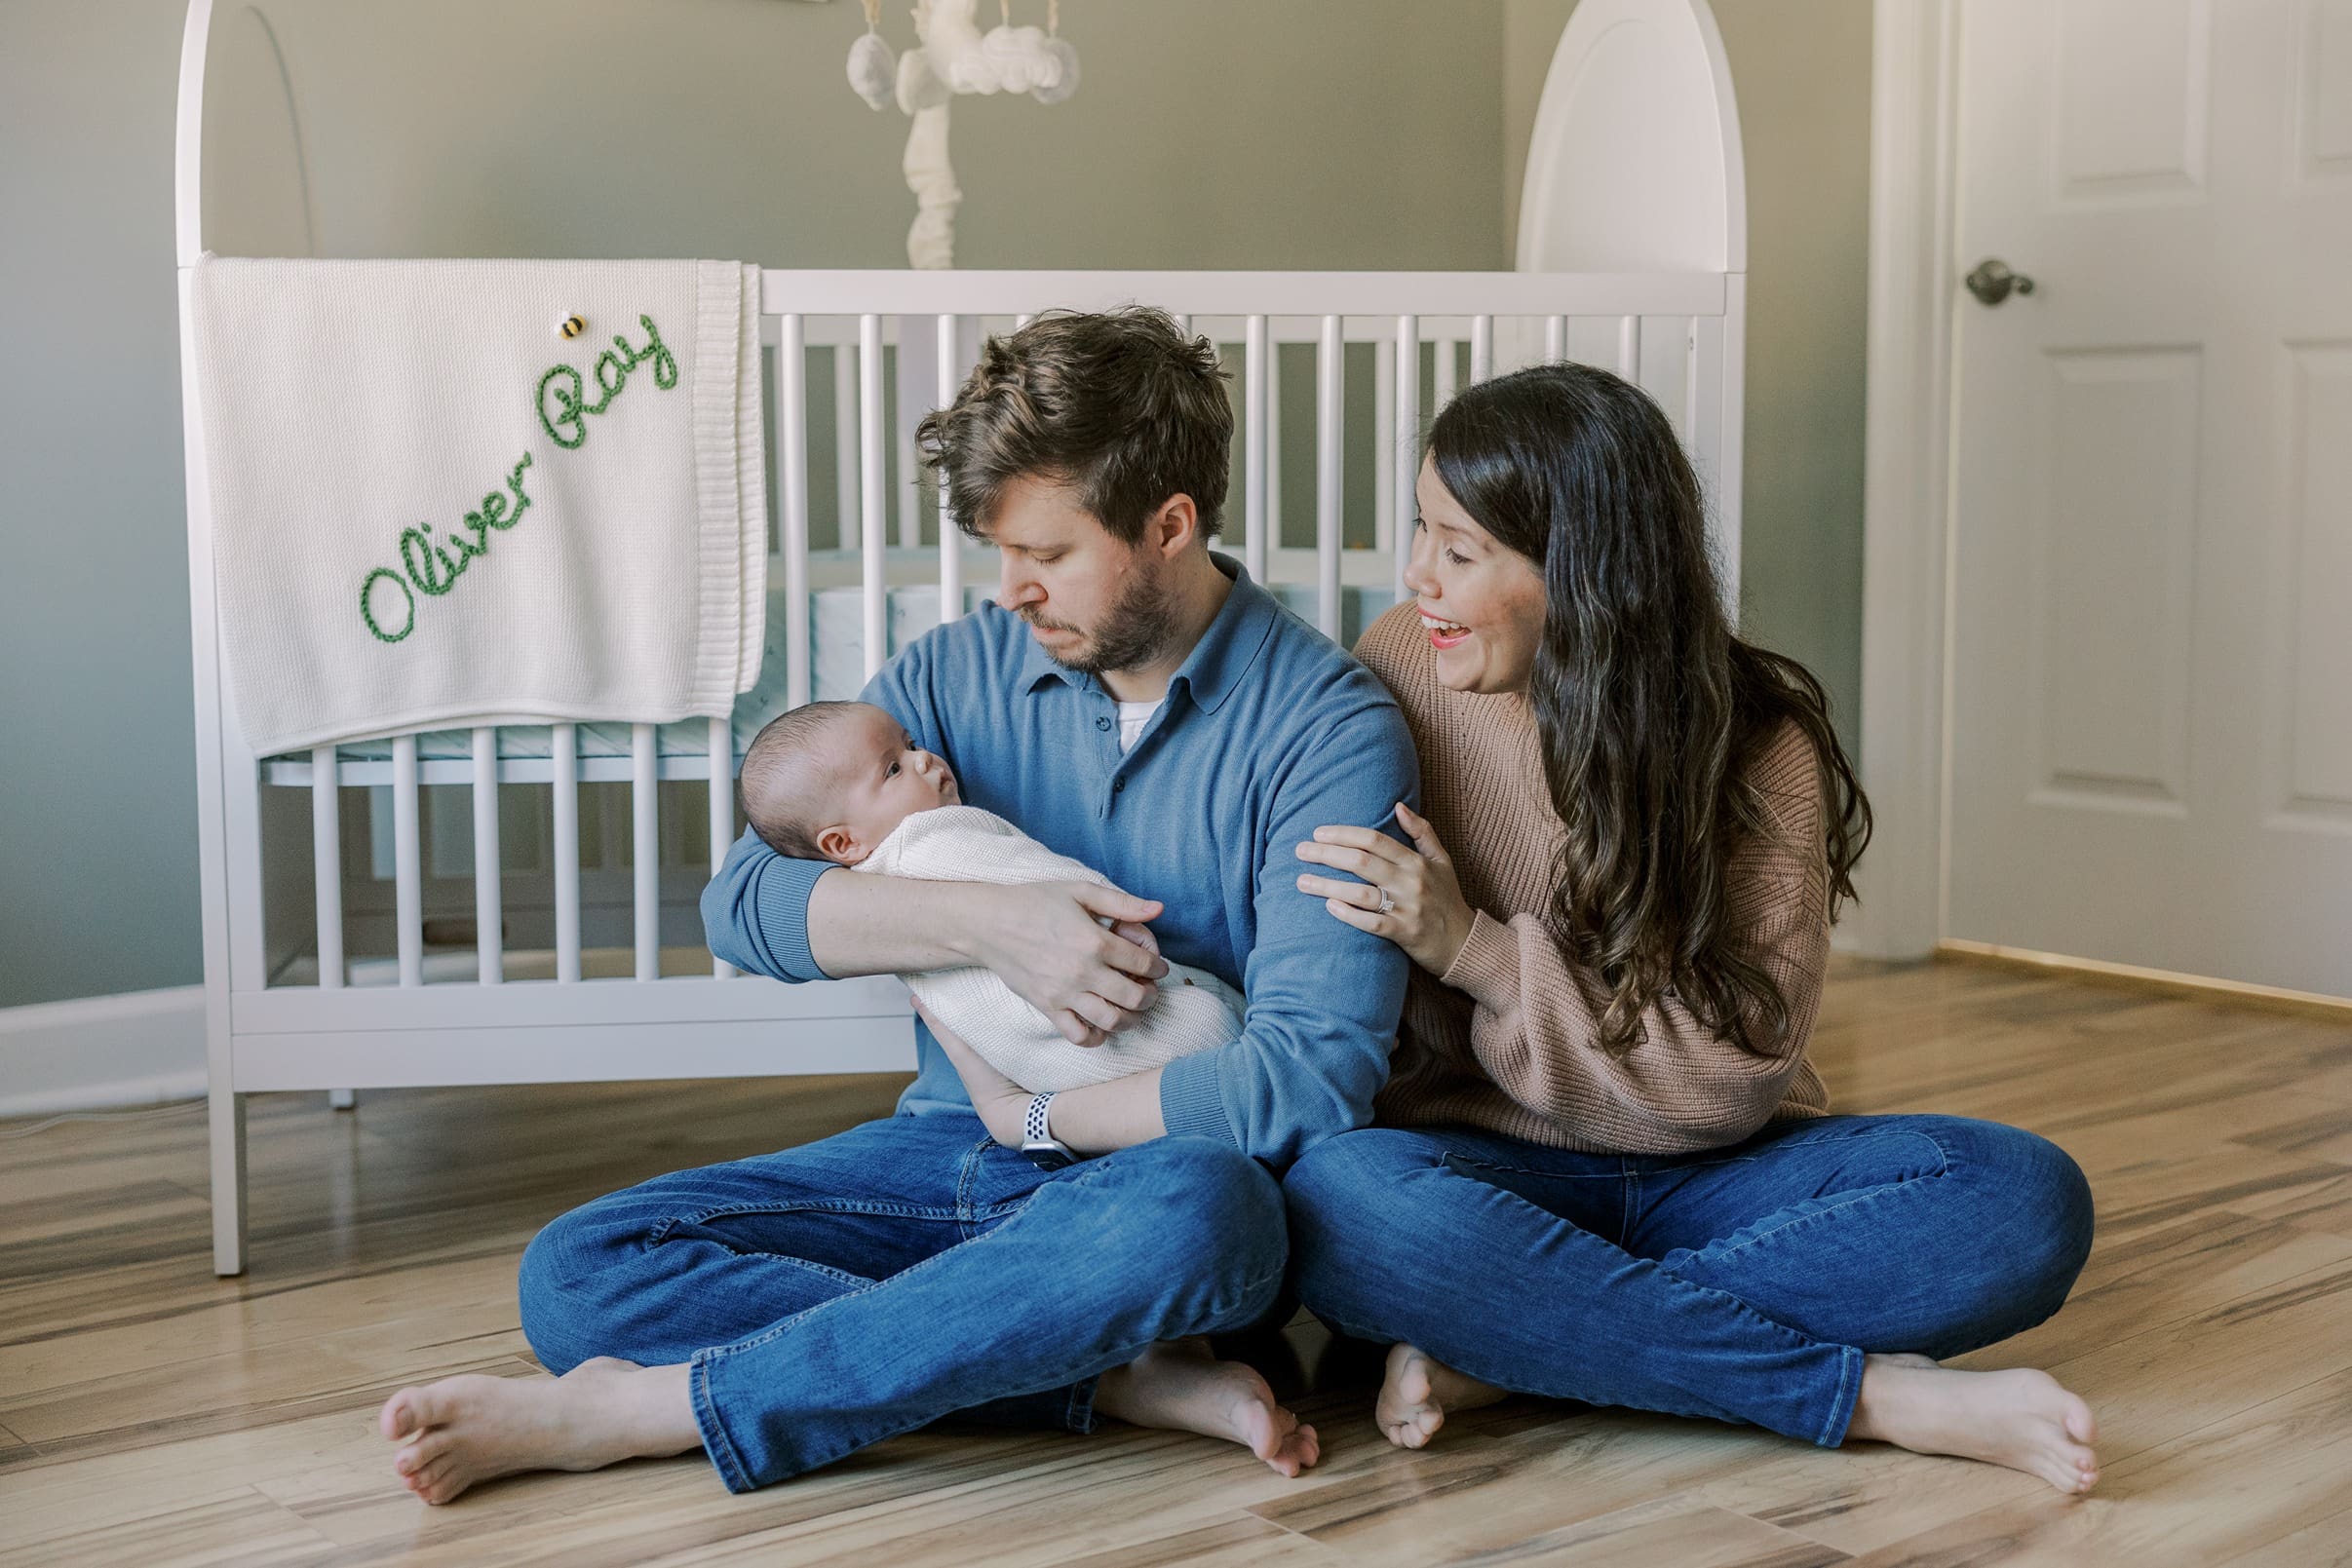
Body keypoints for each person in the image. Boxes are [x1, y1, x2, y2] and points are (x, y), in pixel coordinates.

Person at [375, 308, 1417, 1504]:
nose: (1012, 591)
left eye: (1048, 554)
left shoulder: (1329, 730)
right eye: (998, 554)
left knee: (1212, 1214)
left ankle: (677, 1404)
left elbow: (1306, 1079)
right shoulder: (952, 674)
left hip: (1139, 1189)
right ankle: (1087, 1375)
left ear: (1169, 524)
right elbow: (745, 900)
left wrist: (1036, 1121)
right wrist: (988, 924)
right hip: (942, 1155)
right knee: (578, 1270)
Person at [1283, 362, 2102, 1496]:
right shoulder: (1399, 668)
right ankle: (1862, 1396)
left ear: (1583, 570)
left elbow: (1725, 1086)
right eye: (1421, 531)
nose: (1418, 576)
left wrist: (1473, 950)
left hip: (1716, 1171)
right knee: (1340, 1199)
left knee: (2020, 1197)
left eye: (1459, 550)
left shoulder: (1758, 744)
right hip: (1472, 1169)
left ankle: (1529, 1344)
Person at [736, 697, 1246, 1090]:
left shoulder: (873, 884)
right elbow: (1038, 875)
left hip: (1032, 1066)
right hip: (1094, 1025)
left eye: (911, 745)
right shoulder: (932, 840)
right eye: (893, 768)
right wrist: (1114, 917)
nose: (924, 761)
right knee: (1212, 1027)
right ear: (842, 842)